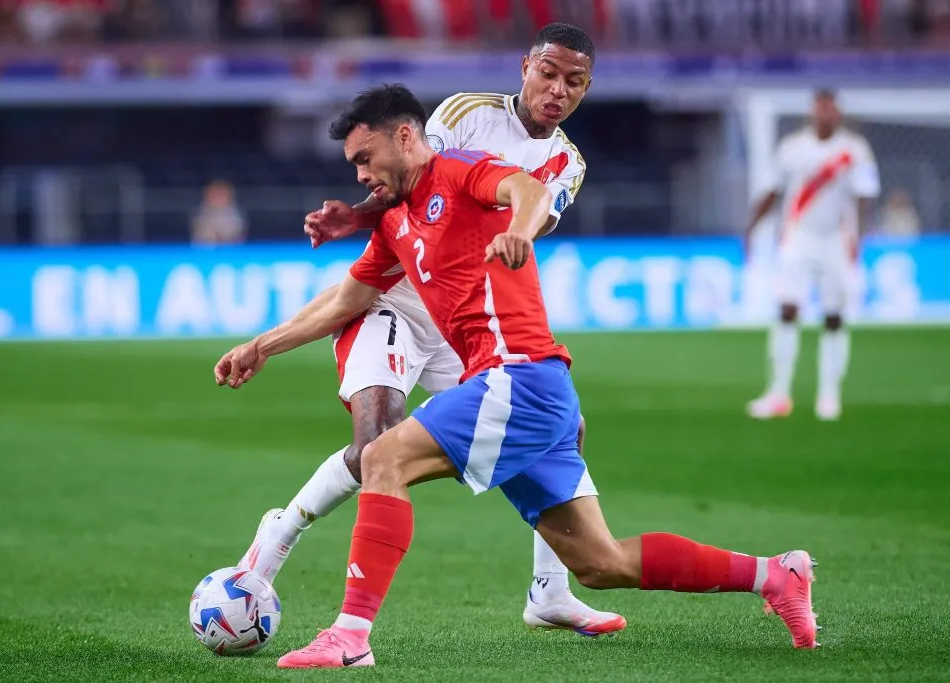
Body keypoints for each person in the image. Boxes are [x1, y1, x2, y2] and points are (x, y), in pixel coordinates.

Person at [215, 85, 819, 670]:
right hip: (535, 394)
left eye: (365, 159)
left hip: (518, 377)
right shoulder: (396, 222)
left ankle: (349, 635)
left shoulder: (459, 170)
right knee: (600, 561)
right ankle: (775, 574)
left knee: (384, 458)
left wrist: (517, 231)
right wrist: (261, 346)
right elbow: (346, 299)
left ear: (405, 136)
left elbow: (526, 189)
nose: (360, 175)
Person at [230, 23, 624, 635]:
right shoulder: (465, 115)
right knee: (374, 447)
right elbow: (410, 183)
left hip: (460, 321)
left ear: (586, 89)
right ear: (525, 68)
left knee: (562, 427)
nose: (556, 90)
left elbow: (524, 215)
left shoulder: (566, 164)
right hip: (394, 301)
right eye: (547, 73)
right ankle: (277, 536)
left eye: (573, 82)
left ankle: (550, 591)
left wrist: (515, 229)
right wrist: (359, 217)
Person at [745, 89, 880, 421]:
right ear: (812, 112)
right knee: (788, 309)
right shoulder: (792, 148)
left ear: (838, 113)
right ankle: (779, 393)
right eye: (821, 109)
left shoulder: (854, 150)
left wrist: (859, 236)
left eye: (831, 109)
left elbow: (865, 196)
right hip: (798, 237)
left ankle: (829, 396)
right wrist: (751, 227)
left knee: (834, 317)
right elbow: (773, 191)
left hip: (837, 239)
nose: (826, 115)